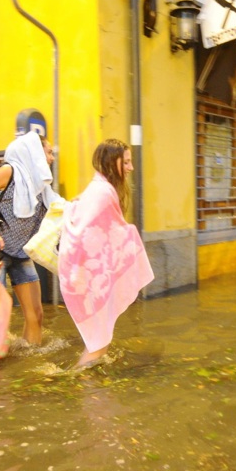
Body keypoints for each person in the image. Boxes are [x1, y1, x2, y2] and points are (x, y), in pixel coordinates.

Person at [59, 139, 154, 367]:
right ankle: (79, 385)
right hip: (85, 275)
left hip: (82, 273)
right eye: (127, 162)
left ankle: (80, 383)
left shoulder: (99, 189)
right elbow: (91, 233)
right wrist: (130, 233)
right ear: (113, 162)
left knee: (99, 338)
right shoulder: (103, 192)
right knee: (99, 341)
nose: (131, 168)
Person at [0, 131, 62, 346]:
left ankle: (29, 364)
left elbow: (60, 210)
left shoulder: (40, 186)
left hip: (20, 253)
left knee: (36, 314)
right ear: (34, 152)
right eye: (48, 152)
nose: (52, 158)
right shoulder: (8, 171)